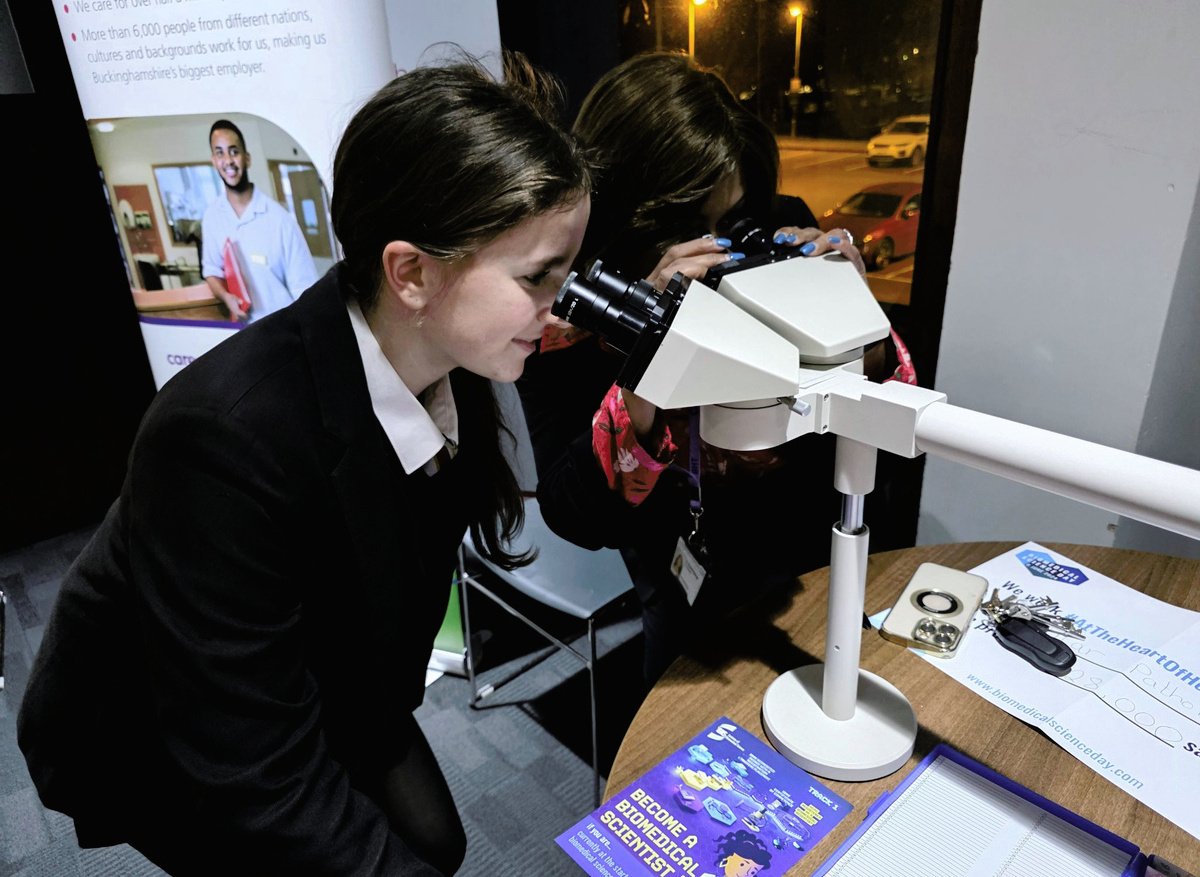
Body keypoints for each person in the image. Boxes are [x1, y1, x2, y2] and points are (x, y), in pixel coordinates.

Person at [18, 56, 592, 877]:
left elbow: (385, 575)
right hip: (156, 725)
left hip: (323, 667)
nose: (560, 302)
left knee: (435, 841)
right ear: (412, 272)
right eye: (539, 276)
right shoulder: (221, 437)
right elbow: (257, 774)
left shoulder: (457, 359)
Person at [523, 52, 907, 685]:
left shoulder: (783, 225)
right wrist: (651, 345)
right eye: (687, 229)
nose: (714, 254)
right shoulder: (575, 313)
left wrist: (859, 332)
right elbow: (575, 515)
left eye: (730, 225)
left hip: (815, 557)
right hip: (682, 587)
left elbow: (888, 456)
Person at [201, 118, 319, 322]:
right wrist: (225, 296)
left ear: (247, 158)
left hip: (282, 331)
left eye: (234, 151)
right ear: (213, 160)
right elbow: (211, 270)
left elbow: (305, 291)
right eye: (220, 152)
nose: (228, 160)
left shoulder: (280, 220)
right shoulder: (211, 218)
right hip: (244, 335)